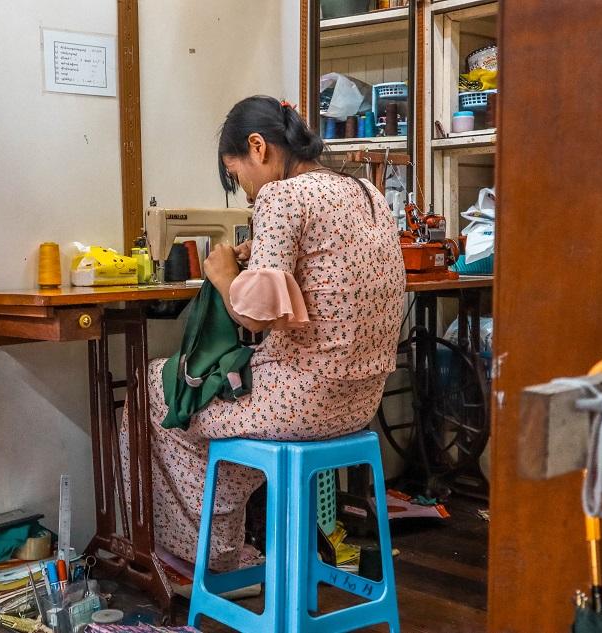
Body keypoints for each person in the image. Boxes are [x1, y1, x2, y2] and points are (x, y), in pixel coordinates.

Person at [119, 95, 406, 578]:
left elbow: (253, 319)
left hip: (300, 403)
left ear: (258, 147)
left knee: (155, 392)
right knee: (213, 410)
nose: (244, 191)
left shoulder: (282, 196)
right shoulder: (364, 192)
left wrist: (223, 271)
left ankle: (194, 557)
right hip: (358, 402)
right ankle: (220, 551)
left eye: (237, 175)